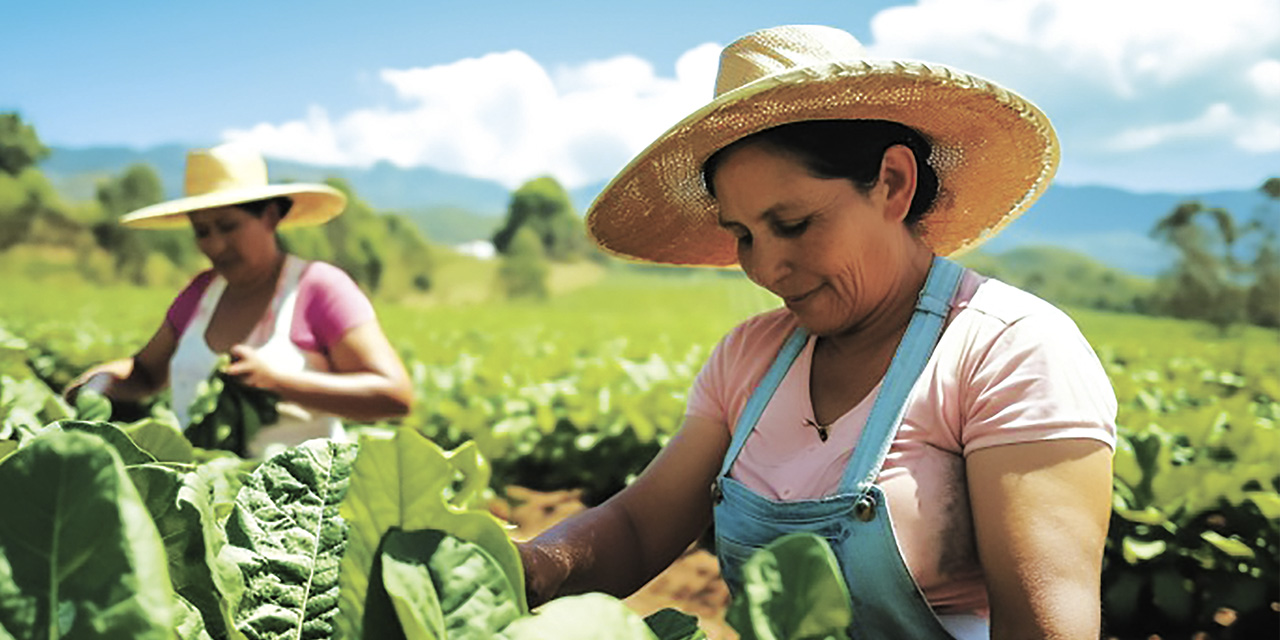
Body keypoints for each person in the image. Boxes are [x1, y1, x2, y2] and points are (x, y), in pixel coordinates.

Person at [518, 25, 1116, 639]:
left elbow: (1046, 629)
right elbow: (640, 527)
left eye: (795, 223)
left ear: (893, 183)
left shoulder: (1008, 351)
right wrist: (529, 568)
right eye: (745, 235)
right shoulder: (750, 357)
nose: (767, 267)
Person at [65, 143, 413, 458]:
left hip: (295, 509)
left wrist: (277, 382)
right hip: (201, 494)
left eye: (228, 226)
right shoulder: (201, 293)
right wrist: (102, 379)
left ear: (271, 217)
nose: (214, 245)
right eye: (202, 231)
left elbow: (394, 394)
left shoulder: (318, 287)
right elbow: (144, 372)